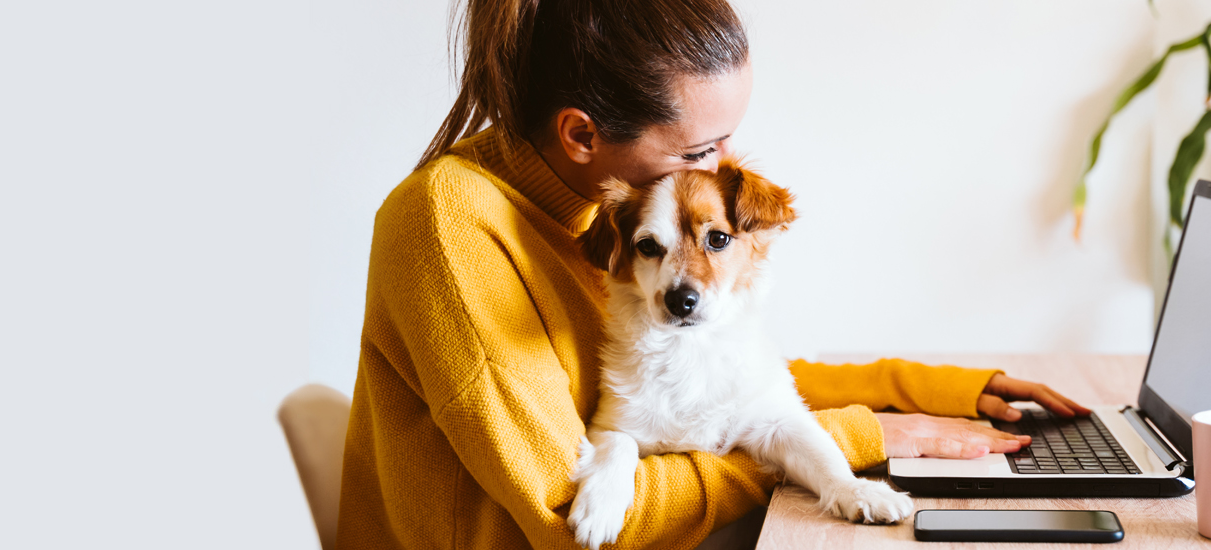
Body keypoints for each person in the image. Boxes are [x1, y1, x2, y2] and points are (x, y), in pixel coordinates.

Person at [336, 0, 1092, 548]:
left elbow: (713, 383)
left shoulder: (596, 220)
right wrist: (847, 443)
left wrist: (936, 393)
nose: (721, 174)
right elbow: (569, 516)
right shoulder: (450, 226)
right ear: (581, 135)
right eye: (702, 151)